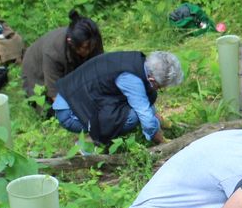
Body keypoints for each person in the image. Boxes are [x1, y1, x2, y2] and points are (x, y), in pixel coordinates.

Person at [52, 51, 182, 145]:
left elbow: (144, 100)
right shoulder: (131, 79)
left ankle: (97, 134)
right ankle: (90, 142)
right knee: (133, 116)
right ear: (152, 79)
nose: (160, 90)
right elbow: (145, 116)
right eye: (160, 86)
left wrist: (162, 121)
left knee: (148, 94)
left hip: (79, 97)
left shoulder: (139, 63)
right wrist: (162, 141)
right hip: (70, 113)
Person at [21, 11, 104, 105]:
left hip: (68, 67)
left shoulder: (92, 38)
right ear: (71, 42)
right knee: (56, 111)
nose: (90, 51)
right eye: (85, 48)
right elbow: (54, 94)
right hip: (37, 74)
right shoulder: (53, 52)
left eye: (92, 46)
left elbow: (98, 67)